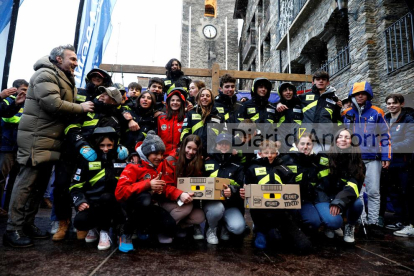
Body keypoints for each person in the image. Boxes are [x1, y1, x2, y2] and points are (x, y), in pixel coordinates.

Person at [3, 44, 94, 248]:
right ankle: (13, 229)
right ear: (59, 59)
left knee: (39, 187)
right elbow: (53, 103)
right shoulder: (45, 73)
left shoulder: (63, 76)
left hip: (50, 140)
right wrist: (81, 107)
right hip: (37, 139)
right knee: (25, 185)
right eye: (72, 59)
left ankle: (27, 224)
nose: (76, 63)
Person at [52, 86, 127, 241]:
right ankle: (63, 223)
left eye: (107, 95)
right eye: (102, 92)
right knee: (61, 185)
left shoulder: (115, 117)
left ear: (113, 102)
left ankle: (91, 223)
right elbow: (71, 127)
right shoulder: (86, 107)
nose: (102, 96)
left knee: (98, 187)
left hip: (98, 157)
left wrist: (119, 148)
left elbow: (117, 137)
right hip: (72, 154)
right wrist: (82, 146)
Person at [241, 140, 312, 253]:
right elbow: (247, 190)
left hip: (281, 213)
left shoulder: (283, 168)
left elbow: (292, 188)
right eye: (266, 152)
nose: (269, 155)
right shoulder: (252, 168)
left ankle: (279, 231)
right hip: (261, 213)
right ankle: (259, 231)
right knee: (264, 246)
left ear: (276, 153)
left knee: (305, 246)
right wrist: (244, 192)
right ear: (260, 153)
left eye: (272, 152)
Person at [342, 81, 391, 236]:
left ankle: (373, 222)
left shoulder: (377, 112)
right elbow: (343, 136)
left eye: (363, 93)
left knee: (374, 191)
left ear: (368, 95)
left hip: (373, 158)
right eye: (357, 94)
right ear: (353, 96)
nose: (360, 96)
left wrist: (386, 156)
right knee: (357, 192)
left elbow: (385, 135)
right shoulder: (347, 113)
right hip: (354, 159)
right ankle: (359, 220)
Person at [116, 131, 176, 252]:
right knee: (144, 200)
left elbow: (164, 187)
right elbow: (120, 192)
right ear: (147, 153)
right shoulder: (133, 166)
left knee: (171, 227)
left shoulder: (159, 166)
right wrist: (148, 185)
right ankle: (125, 233)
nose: (159, 157)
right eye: (155, 153)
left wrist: (160, 190)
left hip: (150, 205)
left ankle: (142, 227)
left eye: (161, 153)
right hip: (130, 207)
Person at [70, 127, 126, 250]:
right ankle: (94, 227)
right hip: (93, 204)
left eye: (109, 145)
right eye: (102, 145)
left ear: (115, 144)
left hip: (114, 204)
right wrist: (80, 201)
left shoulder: (121, 158)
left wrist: (132, 154)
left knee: (107, 198)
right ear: (95, 144)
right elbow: (75, 185)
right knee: (80, 221)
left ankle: (104, 232)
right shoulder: (86, 160)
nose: (105, 149)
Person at [316, 128, 365, 243]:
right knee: (334, 222)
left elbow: (353, 187)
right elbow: (318, 183)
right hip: (324, 196)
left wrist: (339, 201)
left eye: (347, 137)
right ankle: (331, 225)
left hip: (342, 197)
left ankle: (349, 227)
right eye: (340, 137)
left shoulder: (357, 161)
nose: (343, 140)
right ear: (335, 140)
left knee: (358, 204)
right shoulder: (323, 156)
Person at [157, 135, 206, 239]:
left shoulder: (197, 162)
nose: (191, 152)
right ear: (183, 146)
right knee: (186, 208)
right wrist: (179, 194)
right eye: (189, 148)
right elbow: (165, 186)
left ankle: (178, 226)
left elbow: (197, 184)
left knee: (199, 216)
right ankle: (163, 230)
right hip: (167, 200)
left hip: (185, 200)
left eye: (194, 150)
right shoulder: (170, 160)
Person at [381, 94, 414, 236]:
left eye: (394, 103)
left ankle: (410, 225)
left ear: (401, 103)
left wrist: (388, 147)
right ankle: (400, 221)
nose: (391, 106)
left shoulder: (408, 119)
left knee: (406, 194)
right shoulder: (385, 119)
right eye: (388, 103)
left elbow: (410, 142)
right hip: (390, 165)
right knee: (394, 194)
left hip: (404, 164)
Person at [203, 133, 245, 244]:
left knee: (238, 228)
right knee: (217, 209)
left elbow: (241, 185)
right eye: (221, 143)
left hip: (230, 204)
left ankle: (225, 227)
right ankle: (211, 229)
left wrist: (232, 191)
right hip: (212, 204)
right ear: (216, 145)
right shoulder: (207, 162)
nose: (224, 146)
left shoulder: (237, 164)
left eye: (227, 144)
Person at [288, 70, 342, 153]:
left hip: (326, 141)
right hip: (306, 141)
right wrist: (280, 104)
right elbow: (288, 102)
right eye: (318, 79)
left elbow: (337, 122)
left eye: (323, 79)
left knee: (325, 165)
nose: (321, 81)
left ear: (327, 82)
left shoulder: (333, 101)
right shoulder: (303, 97)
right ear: (313, 82)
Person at [0, 79, 28, 216]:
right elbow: (8, 118)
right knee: (1, 178)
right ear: (15, 89)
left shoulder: (27, 103)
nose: (25, 93)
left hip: (19, 147)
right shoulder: (7, 101)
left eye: (27, 90)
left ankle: (7, 208)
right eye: (23, 90)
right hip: (6, 145)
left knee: (15, 180)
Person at [181, 88, 223, 155]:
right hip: (193, 153)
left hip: (212, 155)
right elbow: (184, 132)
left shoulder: (218, 116)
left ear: (211, 99)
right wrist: (188, 149)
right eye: (202, 95)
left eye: (207, 96)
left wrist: (215, 153)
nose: (205, 97)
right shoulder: (191, 113)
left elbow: (223, 135)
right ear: (198, 98)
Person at [157, 88, 187, 158]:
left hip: (180, 157)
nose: (175, 102)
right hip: (162, 157)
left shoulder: (186, 118)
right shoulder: (160, 118)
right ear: (168, 102)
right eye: (172, 100)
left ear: (182, 103)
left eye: (178, 100)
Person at [275, 82, 303, 152]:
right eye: (285, 90)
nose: (288, 92)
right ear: (281, 93)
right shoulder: (276, 107)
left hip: (298, 143)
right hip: (282, 144)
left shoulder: (301, 104)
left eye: (290, 90)